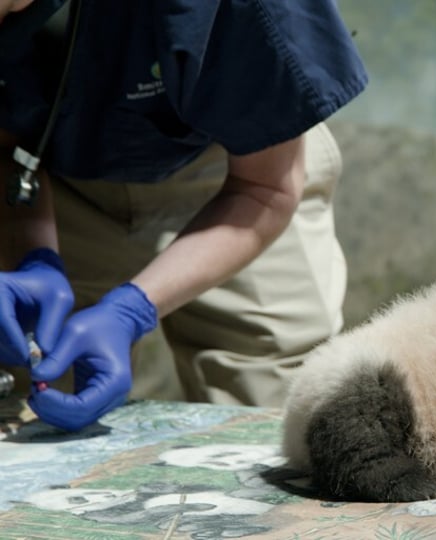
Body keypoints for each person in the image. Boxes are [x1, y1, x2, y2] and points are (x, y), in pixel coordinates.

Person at [0, 0, 367, 431]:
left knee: (282, 417)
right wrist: (34, 259)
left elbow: (266, 188)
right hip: (59, 177)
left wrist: (131, 309)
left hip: (241, 167)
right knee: (40, 409)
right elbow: (7, 149)